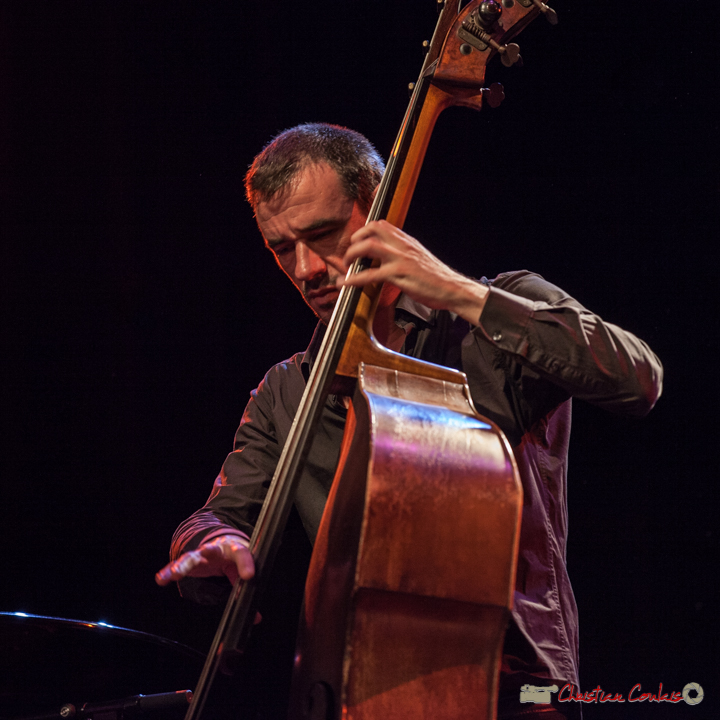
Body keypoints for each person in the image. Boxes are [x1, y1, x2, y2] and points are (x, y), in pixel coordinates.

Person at [156, 123, 663, 719]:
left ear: (379, 209)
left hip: (514, 691)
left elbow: (638, 378)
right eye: (280, 247)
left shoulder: (495, 318)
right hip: (354, 688)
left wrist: (457, 291)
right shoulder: (286, 390)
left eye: (321, 235)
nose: (305, 268)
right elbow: (213, 517)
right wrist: (211, 541)